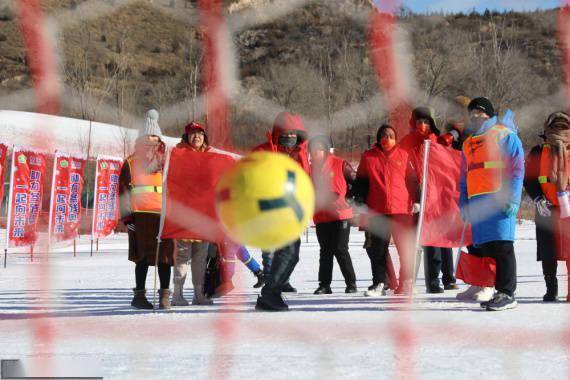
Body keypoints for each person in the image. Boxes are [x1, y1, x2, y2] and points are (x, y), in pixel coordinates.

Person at [459, 97, 524, 311]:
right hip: (478, 202)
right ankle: (498, 291)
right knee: (489, 249)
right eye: (472, 112)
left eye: (480, 111)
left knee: (504, 246)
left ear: (489, 113)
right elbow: (464, 176)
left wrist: (513, 198)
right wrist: (464, 203)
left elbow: (516, 168)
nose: (475, 116)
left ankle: (507, 293)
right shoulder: (468, 142)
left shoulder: (504, 134)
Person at [119, 109, 175, 310]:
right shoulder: (130, 162)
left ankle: (165, 296)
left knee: (165, 257)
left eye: (154, 136)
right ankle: (140, 295)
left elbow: (175, 188)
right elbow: (123, 191)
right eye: (147, 135)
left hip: (163, 216)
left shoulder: (167, 162)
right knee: (141, 257)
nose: (151, 140)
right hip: (140, 216)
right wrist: (127, 219)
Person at [254, 112, 309, 311]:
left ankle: (272, 292)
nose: (289, 143)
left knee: (292, 255)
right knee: (285, 253)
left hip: (291, 213)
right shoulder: (263, 151)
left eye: (293, 138)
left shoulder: (300, 155)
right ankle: (270, 294)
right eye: (284, 138)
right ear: (277, 135)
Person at [355, 124, 419, 296]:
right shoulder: (368, 157)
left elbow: (412, 180)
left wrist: (417, 200)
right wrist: (359, 199)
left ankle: (406, 282)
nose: (387, 138)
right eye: (384, 135)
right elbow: (361, 181)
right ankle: (380, 283)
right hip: (377, 209)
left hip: (401, 208)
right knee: (378, 250)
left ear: (396, 138)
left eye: (391, 135)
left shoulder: (404, 155)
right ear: (378, 137)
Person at [400, 107, 458, 293]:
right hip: (418, 192)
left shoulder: (437, 141)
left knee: (440, 235)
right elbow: (398, 163)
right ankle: (425, 280)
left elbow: (449, 166)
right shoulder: (407, 142)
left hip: (438, 193)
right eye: (419, 122)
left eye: (426, 122)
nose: (422, 126)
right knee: (423, 237)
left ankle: (443, 278)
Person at [524, 111, 570, 302]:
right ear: (547, 128)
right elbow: (529, 178)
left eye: (564, 126)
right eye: (555, 126)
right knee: (547, 249)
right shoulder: (538, 151)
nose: (559, 130)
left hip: (568, 208)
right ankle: (551, 288)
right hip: (546, 206)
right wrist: (537, 198)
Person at [170, 122, 214, 306]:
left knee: (200, 256)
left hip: (203, 214)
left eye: (200, 134)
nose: (197, 137)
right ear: (186, 137)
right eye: (193, 134)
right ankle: (177, 294)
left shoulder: (210, 156)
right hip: (184, 214)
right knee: (182, 255)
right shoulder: (178, 154)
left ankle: (199, 293)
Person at [309, 135, 358, 295]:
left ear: (326, 150)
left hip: (340, 215)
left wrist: (349, 198)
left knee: (340, 249)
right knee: (325, 251)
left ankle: (351, 283)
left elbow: (357, 182)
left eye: (319, 149)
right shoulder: (310, 169)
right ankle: (324, 285)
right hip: (321, 215)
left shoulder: (340, 163)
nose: (316, 152)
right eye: (313, 149)